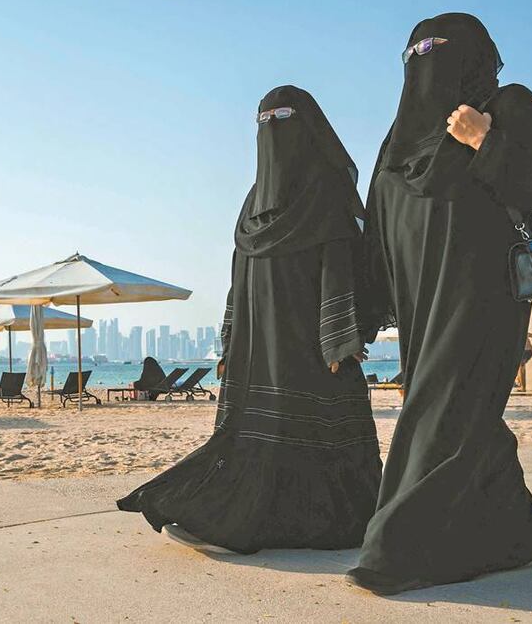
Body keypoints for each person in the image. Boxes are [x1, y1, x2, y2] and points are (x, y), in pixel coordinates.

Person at [349, 13, 532, 594]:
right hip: (421, 303)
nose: (426, 66)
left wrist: (483, 140)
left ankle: (395, 547)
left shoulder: (509, 104)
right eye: (416, 53)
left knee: (446, 409)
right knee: (460, 411)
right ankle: (508, 532)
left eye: (440, 51)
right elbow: (377, 230)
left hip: (487, 292)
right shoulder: (397, 140)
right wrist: (368, 311)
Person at [117, 85, 382, 553]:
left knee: (319, 421)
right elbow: (238, 271)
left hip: (312, 336)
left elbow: (341, 262)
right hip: (260, 335)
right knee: (267, 428)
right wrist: (232, 337)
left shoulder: (328, 187)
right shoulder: (255, 198)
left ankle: (330, 521)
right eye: (263, 120)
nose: (271, 128)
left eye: (282, 116)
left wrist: (337, 338)